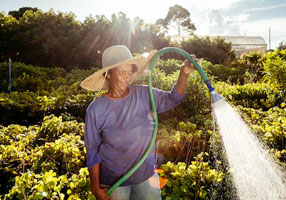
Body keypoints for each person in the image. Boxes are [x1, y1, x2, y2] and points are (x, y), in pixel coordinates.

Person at [80, 45, 196, 200]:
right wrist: (95, 187)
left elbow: (173, 98)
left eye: (129, 73)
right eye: (122, 72)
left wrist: (184, 74)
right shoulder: (96, 109)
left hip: (146, 175)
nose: (127, 77)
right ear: (108, 74)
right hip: (114, 181)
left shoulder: (143, 93)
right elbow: (92, 150)